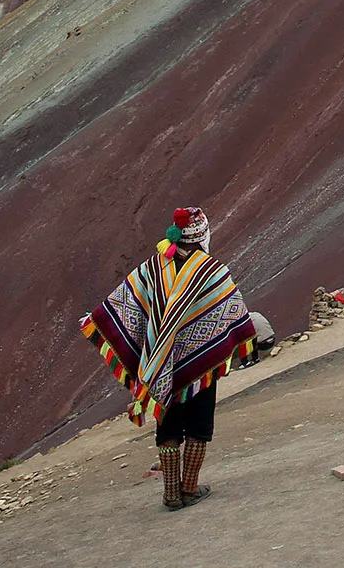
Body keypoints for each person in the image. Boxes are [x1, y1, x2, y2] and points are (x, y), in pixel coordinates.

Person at [83, 207, 255, 510]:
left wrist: (101, 321)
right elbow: (231, 311)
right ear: (202, 236)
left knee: (169, 425)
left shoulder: (153, 268)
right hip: (202, 365)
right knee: (200, 425)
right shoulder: (213, 271)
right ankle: (189, 488)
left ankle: (171, 494)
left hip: (162, 365)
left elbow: (127, 303)